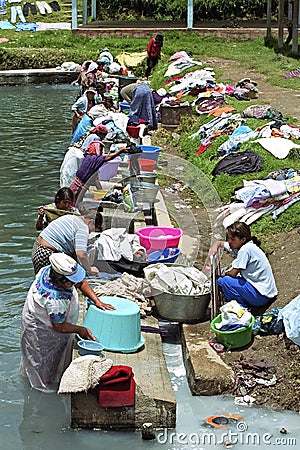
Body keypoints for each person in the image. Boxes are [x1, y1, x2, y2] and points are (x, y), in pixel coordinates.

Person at [20, 253, 114, 393]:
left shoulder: (47, 270)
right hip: (41, 328)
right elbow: (59, 326)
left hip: (41, 316)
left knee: (48, 361)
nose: (74, 282)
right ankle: (44, 392)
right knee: (41, 364)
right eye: (70, 281)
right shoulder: (55, 299)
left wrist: (97, 300)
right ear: (60, 281)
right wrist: (80, 329)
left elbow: (80, 282)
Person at [209, 221, 278, 311]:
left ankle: (240, 307)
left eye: (233, 239)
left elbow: (233, 273)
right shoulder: (244, 246)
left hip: (261, 296)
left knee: (223, 281)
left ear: (243, 239)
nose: (229, 241)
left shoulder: (245, 250)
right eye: (228, 238)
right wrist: (214, 247)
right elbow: (220, 243)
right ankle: (238, 300)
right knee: (224, 279)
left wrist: (223, 274)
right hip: (266, 292)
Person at [31, 209, 102, 276]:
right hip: (46, 253)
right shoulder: (83, 227)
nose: (90, 232)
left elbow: (73, 250)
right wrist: (89, 269)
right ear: (91, 221)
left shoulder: (70, 217)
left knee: (42, 280)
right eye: (93, 229)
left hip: (37, 248)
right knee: (51, 283)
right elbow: (81, 254)